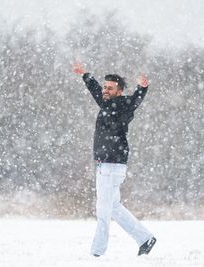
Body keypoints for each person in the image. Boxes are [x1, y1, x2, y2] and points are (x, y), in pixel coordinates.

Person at [73, 62, 156, 257]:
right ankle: (145, 238)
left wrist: (142, 87)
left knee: (103, 210)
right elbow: (95, 90)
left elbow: (135, 100)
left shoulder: (122, 105)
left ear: (119, 92)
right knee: (114, 208)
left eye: (110, 88)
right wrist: (86, 75)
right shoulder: (106, 103)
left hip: (112, 165)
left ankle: (96, 253)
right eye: (105, 87)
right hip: (105, 164)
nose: (105, 90)